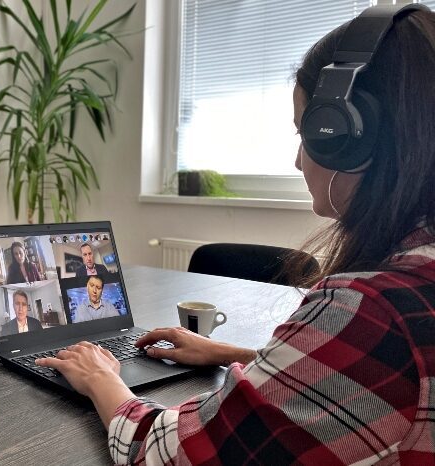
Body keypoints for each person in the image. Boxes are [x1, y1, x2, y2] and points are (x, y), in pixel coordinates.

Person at [36, 6, 435, 464]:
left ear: (347, 140)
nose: (298, 161)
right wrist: (233, 353)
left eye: (306, 136)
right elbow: (368, 383)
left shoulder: (376, 311)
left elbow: (174, 454)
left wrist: (101, 377)